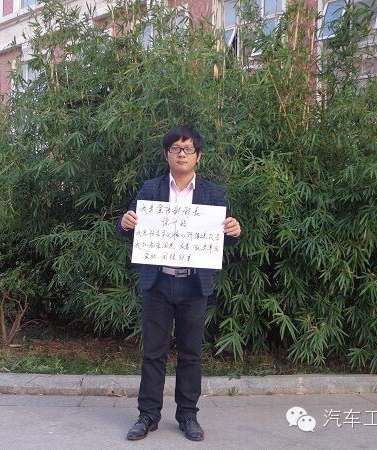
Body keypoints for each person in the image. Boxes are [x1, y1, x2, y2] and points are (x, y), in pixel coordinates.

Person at [117, 125, 241, 441]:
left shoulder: (213, 193)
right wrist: (125, 223)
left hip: (193, 285)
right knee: (153, 353)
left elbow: (222, 240)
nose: (181, 154)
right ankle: (147, 415)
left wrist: (234, 231)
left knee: (191, 354)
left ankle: (188, 414)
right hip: (158, 282)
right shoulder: (150, 189)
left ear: (198, 156)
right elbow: (131, 230)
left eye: (187, 149)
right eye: (175, 148)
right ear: (167, 154)